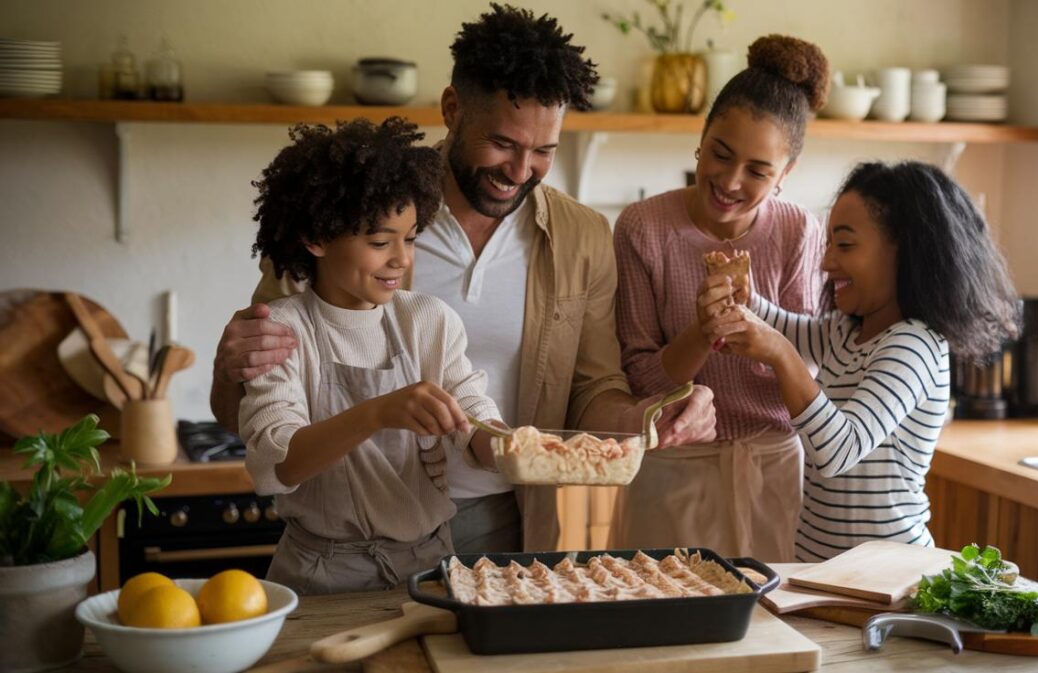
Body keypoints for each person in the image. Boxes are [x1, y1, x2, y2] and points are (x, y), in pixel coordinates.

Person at [210, 3, 717, 555]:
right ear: (452, 108)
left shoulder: (583, 236)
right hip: (349, 525)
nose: (520, 172)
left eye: (544, 151)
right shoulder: (353, 208)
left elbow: (592, 390)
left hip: (509, 520)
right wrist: (227, 368)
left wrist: (647, 419)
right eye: (503, 144)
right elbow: (254, 414)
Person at [698, 160, 1020, 561]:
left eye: (845, 245)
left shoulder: (914, 345)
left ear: (905, 251)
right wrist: (749, 302)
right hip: (822, 573)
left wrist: (778, 353)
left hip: (889, 577)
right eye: (829, 245)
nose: (827, 262)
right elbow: (786, 329)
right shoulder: (846, 331)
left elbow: (839, 450)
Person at [239, 117, 504, 594]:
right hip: (320, 575)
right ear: (317, 238)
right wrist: (378, 412)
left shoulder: (426, 320)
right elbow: (275, 464)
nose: (401, 259)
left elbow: (474, 413)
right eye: (381, 242)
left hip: (428, 567)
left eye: (411, 237)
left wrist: (519, 447)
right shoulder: (281, 330)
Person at [609, 35, 829, 562]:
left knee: (770, 626)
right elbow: (640, 374)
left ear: (785, 175)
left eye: (757, 171)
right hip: (673, 468)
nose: (730, 182)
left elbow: (812, 368)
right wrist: (701, 333)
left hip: (774, 469)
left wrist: (764, 338)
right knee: (663, 627)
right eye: (720, 154)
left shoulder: (799, 232)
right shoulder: (644, 228)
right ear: (701, 140)